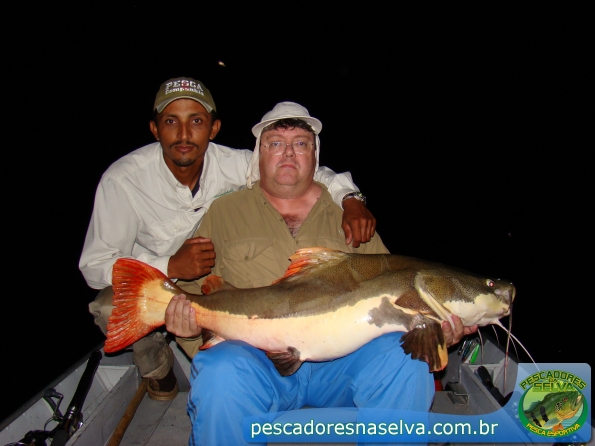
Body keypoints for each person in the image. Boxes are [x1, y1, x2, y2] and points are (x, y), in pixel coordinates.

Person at [166, 102, 477, 445]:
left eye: (301, 143)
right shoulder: (224, 211)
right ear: (259, 154)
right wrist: (188, 329)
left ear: (315, 155)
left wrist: (434, 332)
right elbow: (196, 289)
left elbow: (400, 289)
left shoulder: (352, 216)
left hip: (344, 366)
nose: (288, 153)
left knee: (407, 362)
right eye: (275, 143)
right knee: (220, 372)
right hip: (257, 363)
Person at [79, 78, 376, 401]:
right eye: (171, 122)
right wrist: (170, 265)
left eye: (196, 121)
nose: (183, 134)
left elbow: (298, 166)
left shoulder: (237, 164)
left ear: (214, 128)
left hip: (213, 272)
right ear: (154, 129)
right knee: (109, 306)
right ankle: (157, 366)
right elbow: (94, 267)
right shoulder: (123, 181)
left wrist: (350, 198)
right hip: (155, 275)